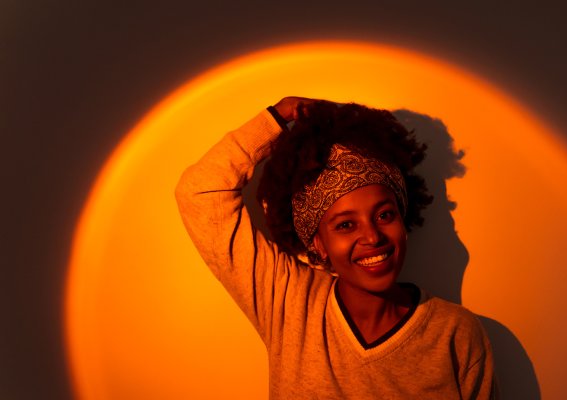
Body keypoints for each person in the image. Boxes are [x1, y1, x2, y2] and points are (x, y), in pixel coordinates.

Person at [175, 97, 497, 399]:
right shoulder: (288, 301)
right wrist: (281, 115)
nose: (372, 237)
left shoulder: (455, 333)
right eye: (345, 225)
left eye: (384, 215)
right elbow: (199, 192)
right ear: (318, 243)